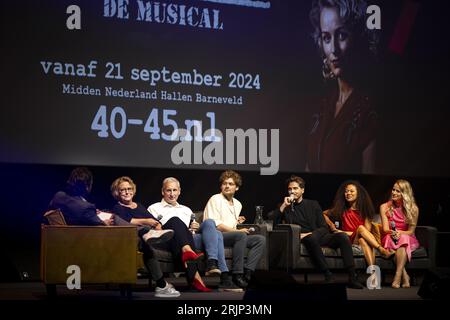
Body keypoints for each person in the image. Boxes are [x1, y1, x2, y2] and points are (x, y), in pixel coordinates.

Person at [49, 167, 180, 298]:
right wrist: (104, 221)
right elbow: (97, 223)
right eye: (123, 189)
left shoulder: (58, 196)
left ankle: (146, 235)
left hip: (71, 239)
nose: (127, 192)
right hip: (95, 241)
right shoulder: (86, 207)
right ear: (88, 185)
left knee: (126, 228)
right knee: (122, 225)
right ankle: (161, 282)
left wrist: (97, 214)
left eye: (129, 189)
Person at [306, 0, 379, 174]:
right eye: (326, 38)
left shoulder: (370, 110)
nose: (334, 49)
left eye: (342, 36)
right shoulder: (323, 105)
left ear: (359, 38)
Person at [272, 175, 364, 289]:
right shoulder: (285, 207)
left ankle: (352, 277)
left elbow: (323, 227)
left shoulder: (313, 204)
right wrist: (284, 206)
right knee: (310, 239)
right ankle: (327, 274)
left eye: (295, 188)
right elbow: (273, 222)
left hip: (319, 235)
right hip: (304, 238)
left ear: (302, 190)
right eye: (290, 189)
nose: (292, 191)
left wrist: (312, 234)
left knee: (342, 237)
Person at [203, 170, 266, 289]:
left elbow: (228, 222)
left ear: (236, 187)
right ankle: (237, 274)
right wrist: (237, 231)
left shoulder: (238, 204)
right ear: (221, 186)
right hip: (217, 236)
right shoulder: (215, 199)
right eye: (224, 183)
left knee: (260, 239)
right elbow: (215, 225)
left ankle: (248, 274)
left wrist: (236, 223)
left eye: (230, 184)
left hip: (231, 236)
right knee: (240, 236)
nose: (227, 186)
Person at [147, 177, 212, 292]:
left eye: (174, 190)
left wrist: (193, 227)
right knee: (175, 220)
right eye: (168, 190)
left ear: (179, 191)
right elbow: (151, 229)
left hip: (179, 242)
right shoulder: (153, 208)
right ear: (163, 191)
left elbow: (187, 232)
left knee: (184, 230)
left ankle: (188, 256)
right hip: (163, 240)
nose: (172, 194)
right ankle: (194, 273)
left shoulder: (186, 210)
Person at [324, 180, 394, 286]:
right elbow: (323, 213)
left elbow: (366, 231)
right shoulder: (341, 209)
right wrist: (331, 224)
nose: (348, 193)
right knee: (360, 229)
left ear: (358, 194)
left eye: (352, 191)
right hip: (349, 241)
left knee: (362, 237)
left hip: (360, 238)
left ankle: (373, 274)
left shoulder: (365, 211)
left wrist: (345, 232)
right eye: (346, 191)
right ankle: (382, 250)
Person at [380, 179, 420, 288]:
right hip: (389, 236)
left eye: (398, 191)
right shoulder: (384, 207)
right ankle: (405, 276)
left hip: (407, 237)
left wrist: (400, 233)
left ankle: (397, 276)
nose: (394, 193)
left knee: (404, 239)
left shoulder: (414, 209)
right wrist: (394, 233)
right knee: (399, 241)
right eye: (393, 190)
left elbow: (411, 231)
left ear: (405, 193)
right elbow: (385, 229)